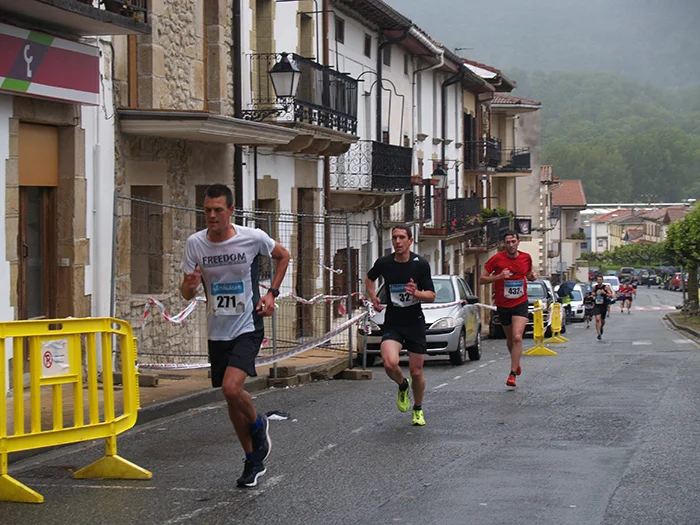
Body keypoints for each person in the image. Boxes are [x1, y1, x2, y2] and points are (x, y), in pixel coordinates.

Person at [181, 184, 290, 488]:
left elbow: (283, 256)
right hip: (218, 330)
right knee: (231, 400)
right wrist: (190, 285)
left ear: (231, 210)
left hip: (248, 325)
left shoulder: (252, 237)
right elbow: (186, 292)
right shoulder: (195, 244)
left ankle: (258, 422)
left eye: (218, 210)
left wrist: (271, 293)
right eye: (207, 210)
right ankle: (252, 460)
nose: (212, 216)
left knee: (231, 389)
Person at [366, 225, 435, 426]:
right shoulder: (384, 263)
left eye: (402, 237)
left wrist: (416, 293)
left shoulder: (420, 264)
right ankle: (402, 385)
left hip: (415, 322)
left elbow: (431, 295)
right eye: (394, 238)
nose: (397, 241)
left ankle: (418, 408)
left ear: (410, 241)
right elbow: (369, 278)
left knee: (416, 372)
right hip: (394, 322)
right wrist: (373, 297)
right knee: (389, 363)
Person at [480, 230, 537, 388]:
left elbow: (528, 274)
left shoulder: (526, 257)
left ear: (518, 242)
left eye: (513, 241)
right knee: (510, 339)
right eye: (508, 242)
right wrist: (499, 277)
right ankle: (515, 361)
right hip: (503, 304)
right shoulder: (497, 259)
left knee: (518, 337)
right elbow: (482, 279)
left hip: (520, 302)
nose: (511, 245)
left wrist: (532, 277)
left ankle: (512, 374)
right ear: (503, 244)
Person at [592, 274, 614, 340]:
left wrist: (605, 293)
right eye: (598, 280)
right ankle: (598, 333)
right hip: (597, 305)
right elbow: (592, 293)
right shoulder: (595, 287)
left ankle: (601, 327)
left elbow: (611, 296)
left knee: (602, 321)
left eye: (600, 280)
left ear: (602, 281)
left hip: (603, 305)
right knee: (597, 319)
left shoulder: (606, 287)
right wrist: (593, 294)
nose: (599, 281)